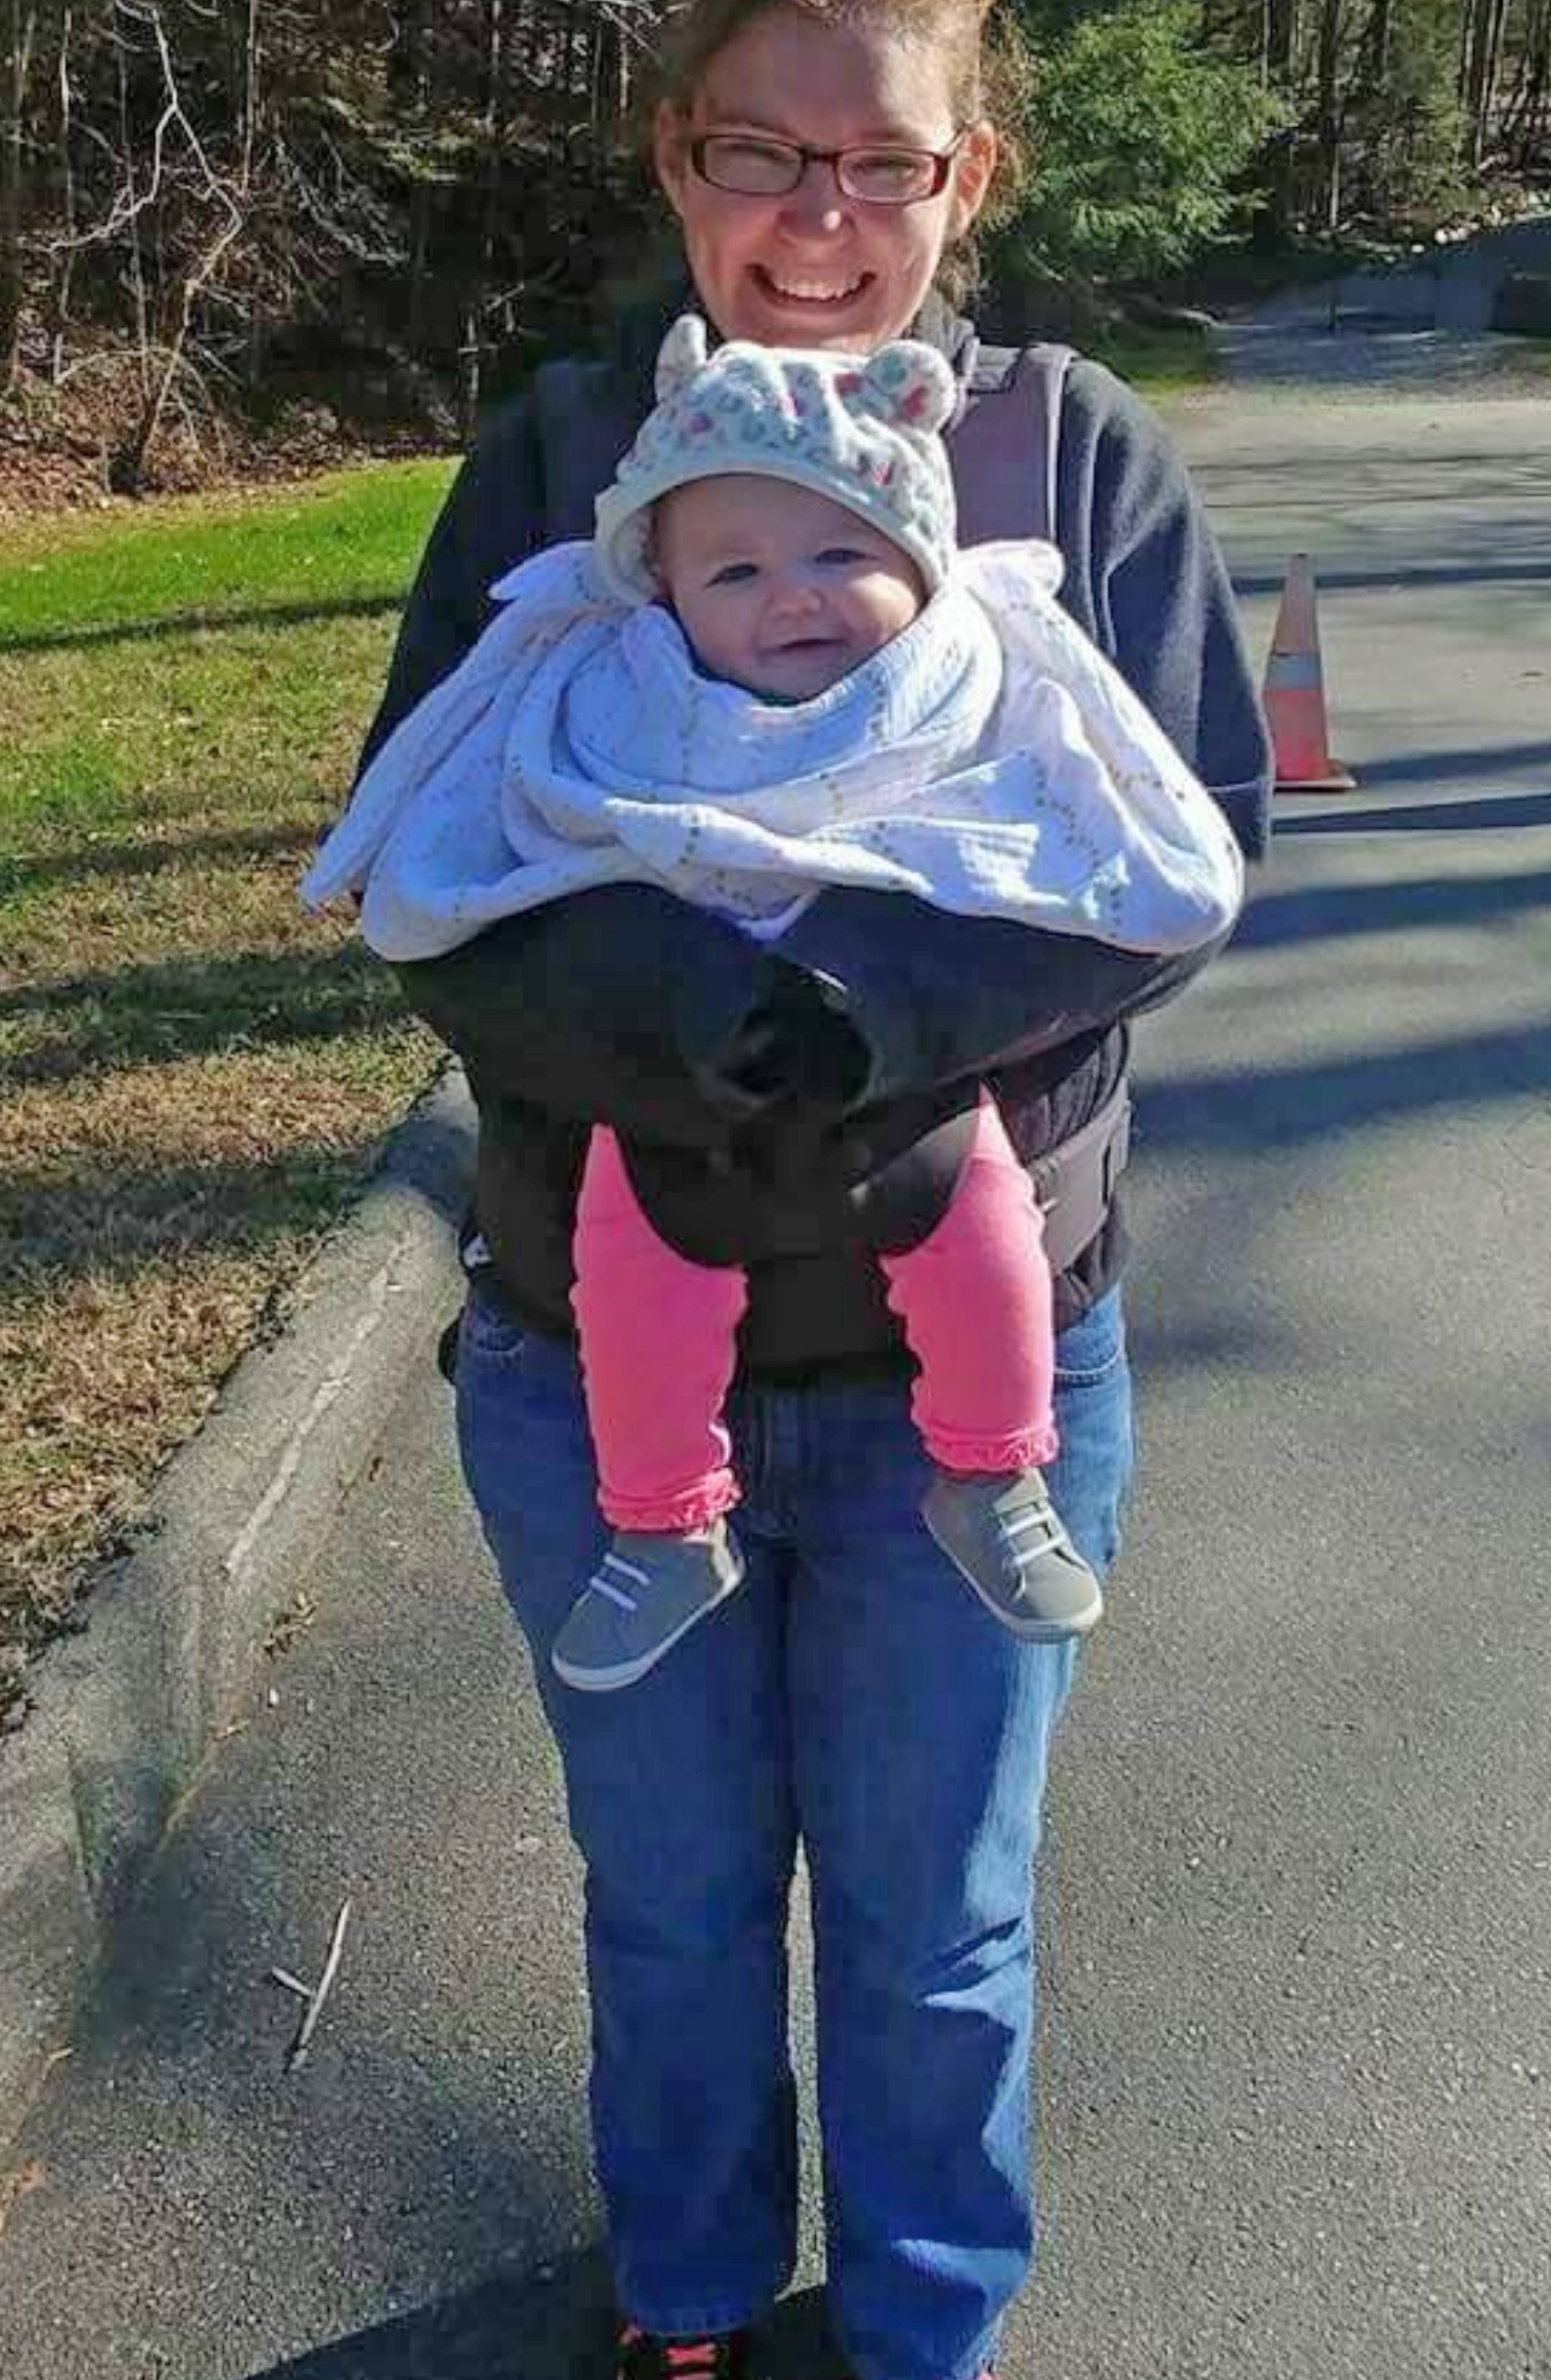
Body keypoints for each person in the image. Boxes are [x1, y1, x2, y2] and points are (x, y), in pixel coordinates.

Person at [350, 0, 1272, 2380]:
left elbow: (1184, 842)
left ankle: (919, 2327)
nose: (822, 218)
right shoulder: (564, 454)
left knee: (937, 1918)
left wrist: (867, 1015)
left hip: (980, 1371)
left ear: (970, 178)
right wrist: (678, 1020)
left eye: (884, 163)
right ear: (679, 155)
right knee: (663, 1907)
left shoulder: (1067, 453)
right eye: (765, 152)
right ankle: (682, 2299)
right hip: (592, 1360)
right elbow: (432, 851)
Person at [309, 325, 1244, 1695]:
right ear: (658, 590)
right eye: (735, 573)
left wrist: (885, 1001)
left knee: (985, 1232)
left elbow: (1121, 849)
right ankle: (661, 1520)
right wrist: (669, 1001)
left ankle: (994, 1470)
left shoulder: (991, 649)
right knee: (633, 1264)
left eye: (842, 555)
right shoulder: (602, 668)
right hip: (663, 1113)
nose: (792, 599)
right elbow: (465, 853)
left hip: (921, 1113)